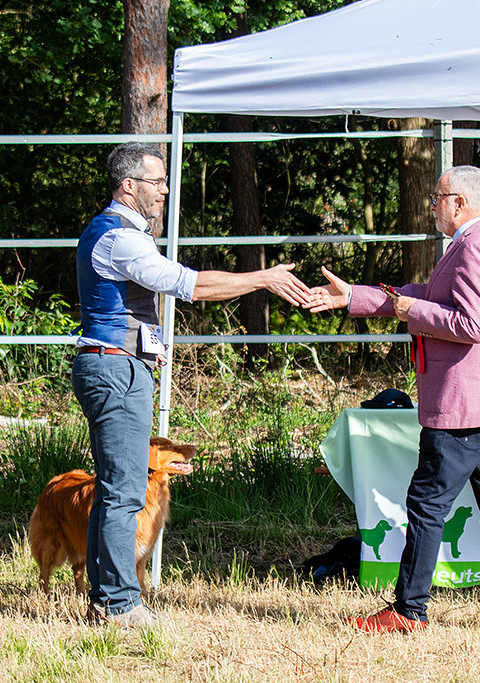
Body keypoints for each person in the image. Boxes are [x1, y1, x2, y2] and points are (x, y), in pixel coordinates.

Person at [73, 142, 312, 628]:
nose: (165, 190)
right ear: (129, 186)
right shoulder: (119, 237)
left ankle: (105, 599)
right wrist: (261, 278)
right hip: (115, 370)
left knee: (115, 487)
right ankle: (119, 604)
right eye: (157, 181)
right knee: (124, 491)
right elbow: (191, 286)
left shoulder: (122, 233)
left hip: (116, 366)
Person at [310, 166, 480, 632]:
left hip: (465, 402)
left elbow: (469, 324)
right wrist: (355, 296)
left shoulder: (476, 246)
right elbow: (430, 295)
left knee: (427, 503)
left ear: (459, 202)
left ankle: (409, 610)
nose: (432, 206)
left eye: (437, 198)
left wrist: (410, 311)